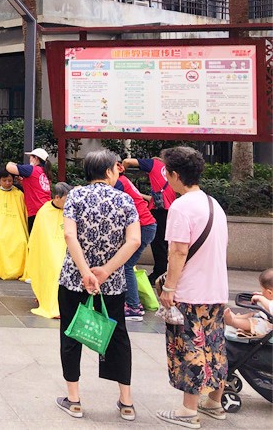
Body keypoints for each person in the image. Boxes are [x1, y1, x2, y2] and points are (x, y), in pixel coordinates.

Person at [56, 149, 140, 422]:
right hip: (111, 283)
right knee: (118, 336)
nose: (117, 173)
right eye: (116, 168)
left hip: (74, 279)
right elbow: (134, 241)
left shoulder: (75, 196)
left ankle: (74, 401)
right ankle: (126, 402)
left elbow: (70, 235)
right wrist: (105, 271)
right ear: (107, 171)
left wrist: (85, 272)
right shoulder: (125, 200)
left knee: (71, 334)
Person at [156, 146, 229, 427]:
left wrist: (169, 288)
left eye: (166, 171)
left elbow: (178, 251)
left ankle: (188, 410)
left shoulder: (181, 206)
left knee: (190, 347)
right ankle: (214, 402)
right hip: (216, 288)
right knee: (214, 345)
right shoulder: (213, 203)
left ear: (175, 175)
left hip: (191, 291)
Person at [123, 155, 176, 284]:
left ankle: (159, 274)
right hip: (169, 209)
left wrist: (120, 173)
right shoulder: (169, 170)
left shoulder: (153, 163)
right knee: (164, 243)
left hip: (159, 211)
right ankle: (165, 273)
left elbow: (127, 161)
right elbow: (153, 198)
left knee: (158, 245)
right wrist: (137, 194)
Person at [115, 163, 156, 322]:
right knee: (126, 264)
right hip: (145, 226)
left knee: (126, 265)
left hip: (143, 226)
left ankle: (133, 307)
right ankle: (131, 302)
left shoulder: (119, 183)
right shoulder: (123, 180)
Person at [26, 182, 70, 319]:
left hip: (67, 248)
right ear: (57, 197)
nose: (69, 203)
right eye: (66, 199)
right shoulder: (44, 212)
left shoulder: (70, 210)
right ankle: (52, 304)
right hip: (48, 249)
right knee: (55, 267)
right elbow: (40, 238)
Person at [6, 148, 53, 233]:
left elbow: (9, 168)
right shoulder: (46, 173)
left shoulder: (31, 169)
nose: (29, 159)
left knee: (34, 238)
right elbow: (36, 187)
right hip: (47, 209)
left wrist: (12, 163)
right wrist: (24, 182)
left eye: (31, 157)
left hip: (36, 211)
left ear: (36, 158)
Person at [224, 268, 273, 338]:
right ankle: (236, 317)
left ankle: (232, 321)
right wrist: (263, 295)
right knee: (252, 315)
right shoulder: (270, 295)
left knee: (252, 323)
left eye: (262, 290)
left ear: (270, 293)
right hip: (265, 318)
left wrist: (261, 298)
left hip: (268, 326)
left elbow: (271, 306)